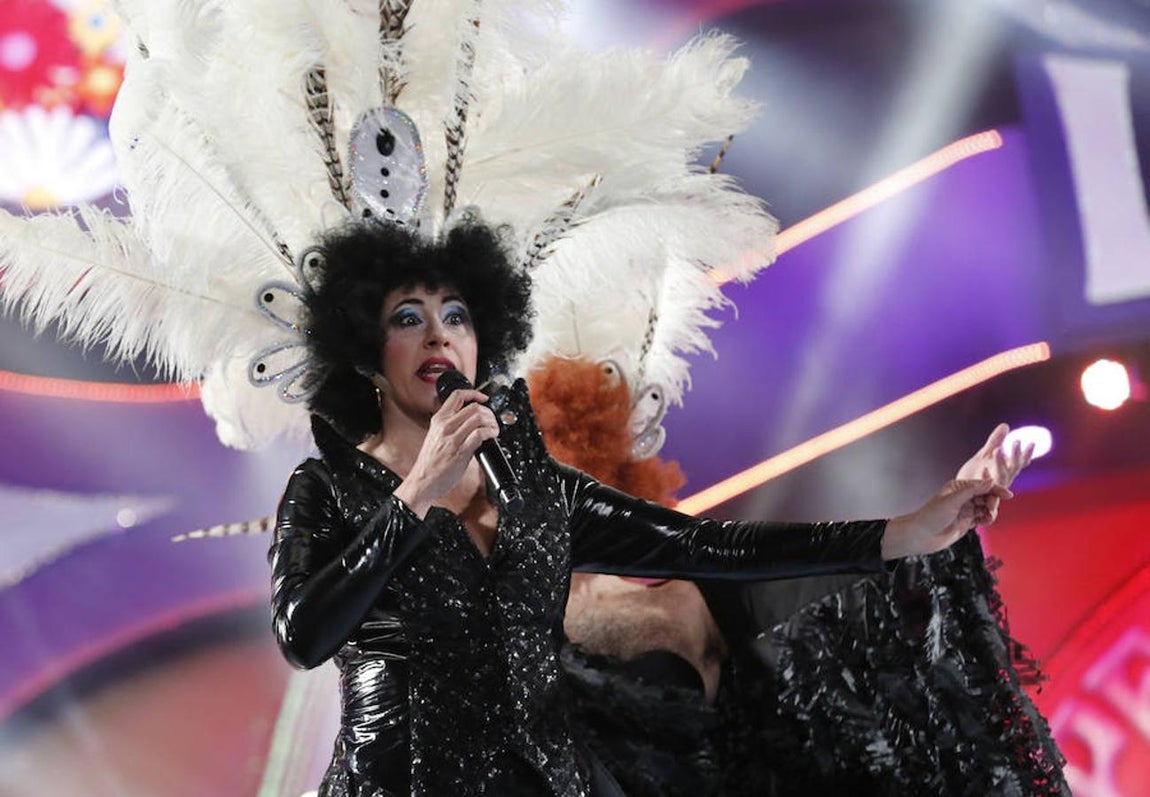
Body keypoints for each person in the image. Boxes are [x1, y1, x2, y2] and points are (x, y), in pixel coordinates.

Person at [269, 216, 1023, 797]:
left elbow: (710, 551)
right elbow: (303, 634)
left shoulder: (537, 488)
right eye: (409, 316)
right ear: (368, 353)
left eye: (456, 314)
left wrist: (907, 529)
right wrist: (416, 493)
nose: (438, 332)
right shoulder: (328, 488)